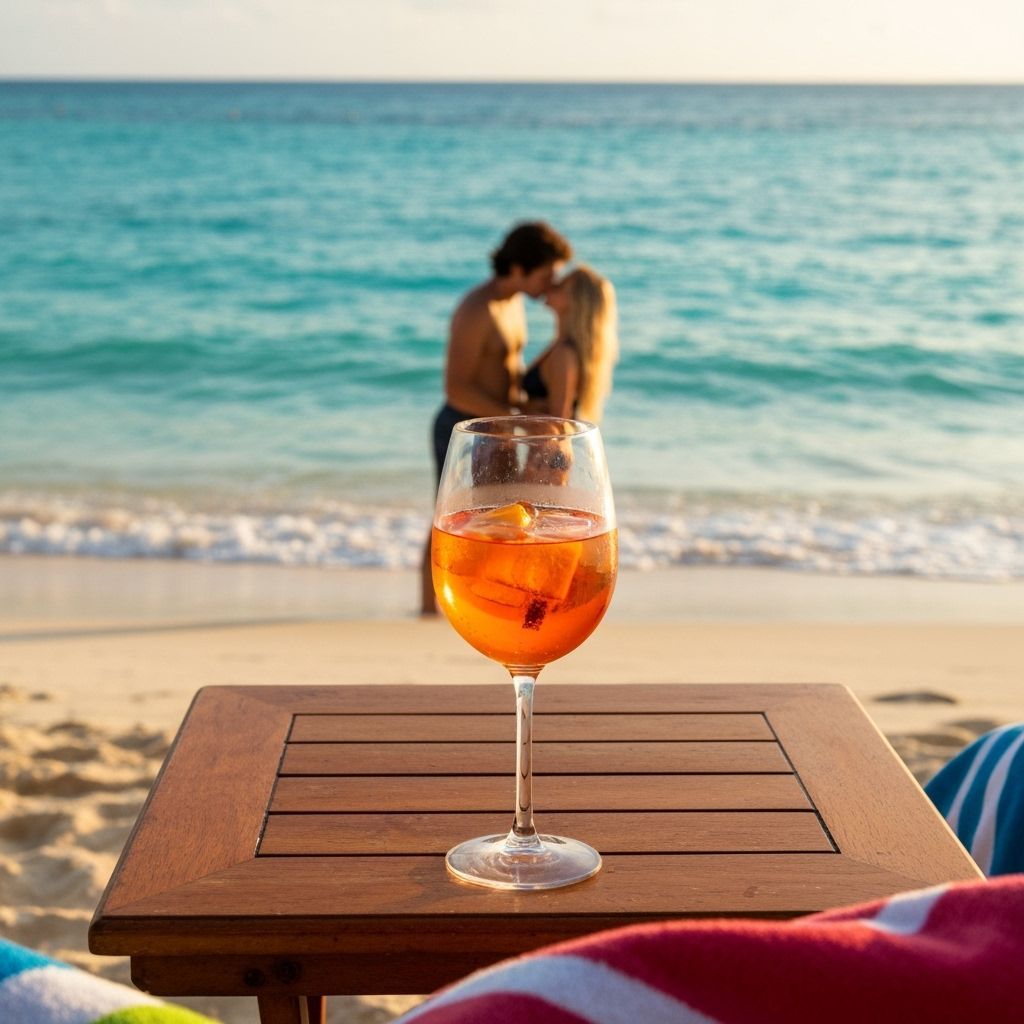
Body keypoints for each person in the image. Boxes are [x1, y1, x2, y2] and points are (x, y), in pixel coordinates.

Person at [421, 222, 573, 615]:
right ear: (520, 269)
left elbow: (510, 370)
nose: (552, 282)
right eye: (546, 274)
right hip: (465, 425)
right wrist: (515, 419)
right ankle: (429, 609)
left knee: (501, 521)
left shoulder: (514, 304)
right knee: (453, 521)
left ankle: (488, 602)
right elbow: (455, 387)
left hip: (500, 428)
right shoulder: (477, 309)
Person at [521, 265, 618, 423]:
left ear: (575, 300)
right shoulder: (561, 344)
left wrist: (521, 412)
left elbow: (559, 421)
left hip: (551, 439)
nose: (551, 286)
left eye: (561, 285)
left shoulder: (564, 353)